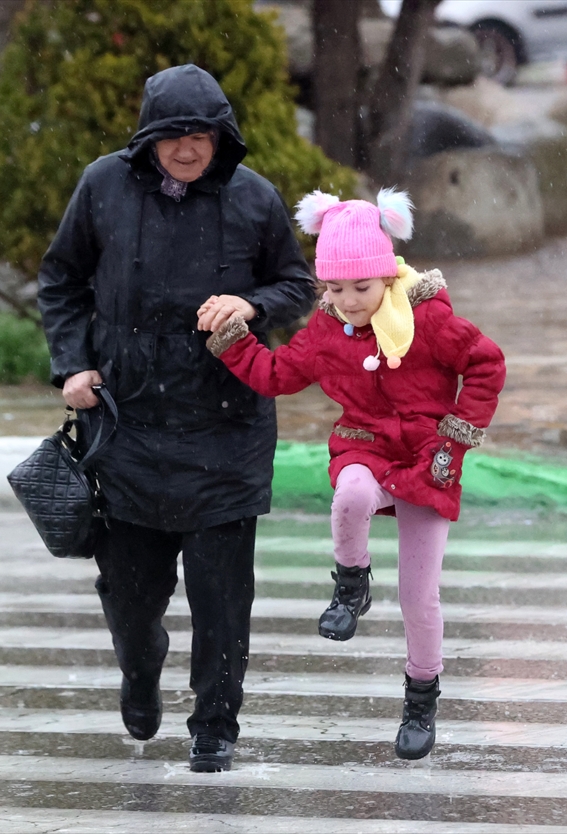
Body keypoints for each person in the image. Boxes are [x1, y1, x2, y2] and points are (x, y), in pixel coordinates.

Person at [36, 64, 315, 773]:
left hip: (228, 427)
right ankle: (140, 665)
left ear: (223, 137)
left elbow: (297, 283)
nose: (189, 150)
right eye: (173, 137)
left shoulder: (254, 199)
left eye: (202, 136)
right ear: (147, 139)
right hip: (127, 425)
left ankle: (215, 725)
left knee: (223, 597)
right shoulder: (102, 186)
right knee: (129, 595)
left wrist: (251, 305)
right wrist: (72, 366)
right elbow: (61, 279)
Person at [199, 189, 506, 760]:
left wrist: (455, 436)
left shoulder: (428, 321)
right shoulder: (326, 331)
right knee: (350, 493)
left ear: (387, 278)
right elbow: (274, 374)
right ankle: (351, 582)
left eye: (360, 288)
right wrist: (231, 339)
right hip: (364, 447)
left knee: (420, 599)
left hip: (427, 460)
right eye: (334, 290)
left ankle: (420, 695)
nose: (348, 301)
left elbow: (487, 363)